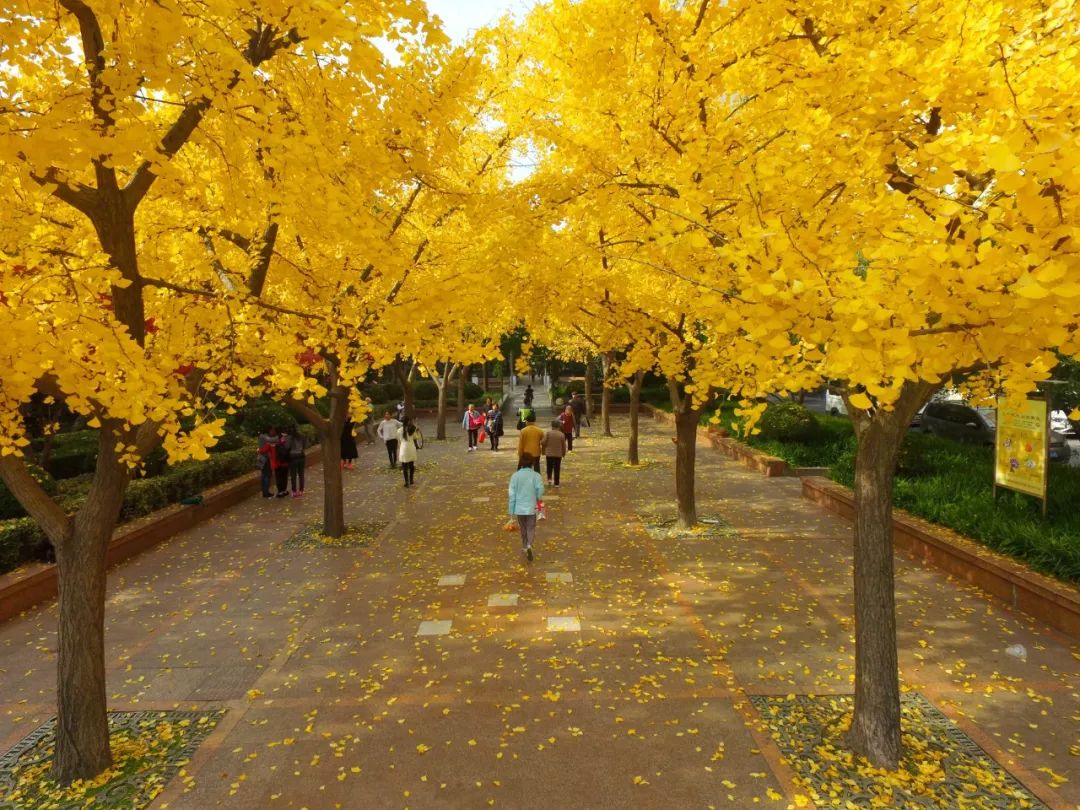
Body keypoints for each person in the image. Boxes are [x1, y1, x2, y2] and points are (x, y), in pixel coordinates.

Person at [508, 454, 544, 562]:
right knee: (531, 527)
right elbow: (540, 490)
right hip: (531, 507)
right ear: (532, 464)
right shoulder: (536, 476)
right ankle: (529, 545)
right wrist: (538, 498)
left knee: (523, 527)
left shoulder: (515, 476)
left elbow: (512, 493)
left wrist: (511, 510)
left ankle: (524, 546)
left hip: (519, 507)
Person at [541, 419, 567, 487]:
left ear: (552, 426)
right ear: (559, 426)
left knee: (549, 467)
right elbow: (564, 446)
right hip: (558, 455)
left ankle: (549, 479)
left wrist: (542, 443)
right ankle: (556, 483)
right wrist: (563, 453)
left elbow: (543, 442)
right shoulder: (561, 434)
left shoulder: (548, 433)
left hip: (549, 454)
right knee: (557, 468)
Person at [256, 426, 279, 497]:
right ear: (268, 430)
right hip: (266, 459)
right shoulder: (265, 437)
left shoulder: (261, 436)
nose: (274, 432)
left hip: (262, 459)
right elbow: (274, 440)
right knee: (267, 476)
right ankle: (266, 492)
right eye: (272, 430)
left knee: (264, 476)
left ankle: (265, 491)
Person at [397, 417, 419, 487]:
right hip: (411, 447)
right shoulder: (412, 429)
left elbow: (399, 440)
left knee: (404, 466)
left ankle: (406, 482)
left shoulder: (399, 430)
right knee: (411, 465)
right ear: (408, 421)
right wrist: (417, 431)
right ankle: (411, 480)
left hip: (403, 448)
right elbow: (416, 437)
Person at [287, 428, 307, 497]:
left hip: (293, 457)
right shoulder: (302, 436)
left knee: (293, 475)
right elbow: (305, 446)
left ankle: (294, 491)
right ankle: (301, 490)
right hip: (301, 456)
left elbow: (287, 447)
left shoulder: (289, 438)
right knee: (301, 474)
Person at [272, 427, 291, 497]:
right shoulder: (285, 439)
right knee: (284, 476)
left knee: (278, 477)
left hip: (277, 462)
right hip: (284, 462)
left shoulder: (273, 440)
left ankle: (280, 491)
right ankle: (283, 490)